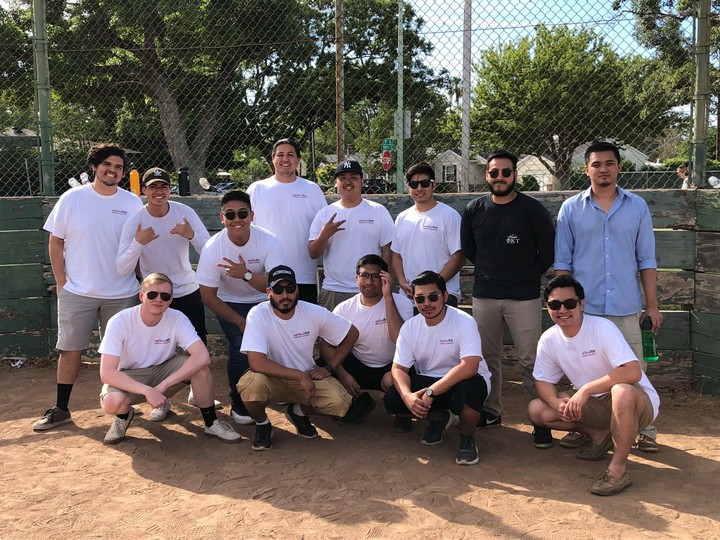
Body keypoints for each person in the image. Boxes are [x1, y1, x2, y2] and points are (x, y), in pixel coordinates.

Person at [554, 140, 662, 453]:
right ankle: (590, 427)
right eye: (596, 164)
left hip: (627, 306)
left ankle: (645, 430)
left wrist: (652, 306)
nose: (603, 169)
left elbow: (647, 260)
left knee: (634, 368)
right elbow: (562, 264)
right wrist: (565, 307)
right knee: (585, 369)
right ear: (586, 169)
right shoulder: (571, 208)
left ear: (619, 167)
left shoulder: (637, 207)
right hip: (585, 310)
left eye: (609, 163)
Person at [33, 143, 143, 432]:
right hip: (77, 291)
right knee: (70, 351)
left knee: (120, 354)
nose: (113, 170)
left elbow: (136, 247)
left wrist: (143, 282)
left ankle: (123, 405)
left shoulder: (132, 203)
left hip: (122, 293)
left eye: (118, 167)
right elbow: (56, 241)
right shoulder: (72, 198)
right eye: (107, 164)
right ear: (94, 166)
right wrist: (62, 282)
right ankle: (61, 409)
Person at [528, 275, 660, 496]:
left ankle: (618, 470)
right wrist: (554, 402)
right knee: (537, 410)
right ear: (547, 307)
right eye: (554, 304)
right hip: (596, 404)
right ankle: (599, 434)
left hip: (637, 403)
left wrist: (586, 389)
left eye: (570, 303)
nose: (563, 310)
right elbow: (542, 380)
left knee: (621, 390)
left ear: (582, 304)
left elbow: (632, 371)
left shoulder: (601, 327)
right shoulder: (549, 339)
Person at [460, 149, 555, 447]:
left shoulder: (532, 210)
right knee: (488, 360)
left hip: (523, 297)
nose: (499, 177)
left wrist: (524, 276)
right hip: (485, 295)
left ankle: (539, 419)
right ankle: (492, 410)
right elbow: (470, 251)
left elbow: (547, 254)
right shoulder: (475, 209)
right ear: (487, 175)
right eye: (494, 172)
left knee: (530, 360)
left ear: (515, 174)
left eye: (505, 172)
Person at [116, 167, 217, 419]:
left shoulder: (185, 213)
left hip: (186, 289)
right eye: (153, 187)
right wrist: (138, 243)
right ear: (145, 190)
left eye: (163, 186)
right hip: (155, 295)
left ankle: (197, 390)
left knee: (197, 344)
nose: (158, 192)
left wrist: (191, 235)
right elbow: (121, 268)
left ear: (169, 189)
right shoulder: (135, 221)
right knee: (160, 350)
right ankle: (161, 400)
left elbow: (210, 250)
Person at [238, 265, 376, 450]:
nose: (285, 295)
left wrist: (330, 368)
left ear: (297, 290)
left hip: (307, 377)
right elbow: (256, 362)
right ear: (268, 292)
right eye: (278, 289)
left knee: (340, 402)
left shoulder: (313, 312)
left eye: (290, 289)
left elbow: (351, 334)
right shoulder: (258, 314)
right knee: (250, 387)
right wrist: (299, 376)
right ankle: (262, 424)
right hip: (270, 377)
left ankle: (297, 412)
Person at [98, 273, 241, 445]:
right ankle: (123, 416)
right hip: (130, 375)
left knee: (200, 368)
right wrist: (148, 391)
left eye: (165, 296)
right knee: (112, 403)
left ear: (171, 299)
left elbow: (202, 356)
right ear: (141, 296)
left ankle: (211, 422)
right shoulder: (120, 321)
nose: (158, 300)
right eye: (152, 294)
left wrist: (162, 387)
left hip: (163, 371)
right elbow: (107, 373)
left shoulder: (177, 317)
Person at [383, 271, 492, 466]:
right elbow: (398, 368)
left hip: (463, 380)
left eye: (433, 297)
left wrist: (432, 392)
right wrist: (408, 396)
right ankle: (439, 418)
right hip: (429, 381)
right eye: (420, 299)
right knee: (393, 398)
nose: (427, 303)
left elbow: (469, 367)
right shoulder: (410, 327)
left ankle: (467, 438)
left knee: (470, 391)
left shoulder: (464, 321)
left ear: (445, 296)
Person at [196, 191, 283, 426]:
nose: (237, 219)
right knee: (240, 348)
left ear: (252, 216)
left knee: (278, 344)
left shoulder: (269, 240)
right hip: (230, 302)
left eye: (242, 213)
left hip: (265, 300)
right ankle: (239, 402)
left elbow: (277, 284)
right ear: (222, 218)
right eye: (231, 214)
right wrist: (240, 321)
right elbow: (208, 296)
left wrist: (244, 274)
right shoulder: (213, 247)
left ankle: (282, 391)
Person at [320, 254, 414, 422]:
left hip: (391, 366)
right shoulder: (343, 309)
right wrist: (342, 374)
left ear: (385, 279)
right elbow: (326, 347)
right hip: (357, 365)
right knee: (321, 368)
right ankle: (356, 403)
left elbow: (399, 339)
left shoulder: (402, 303)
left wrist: (388, 297)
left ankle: (401, 411)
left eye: (376, 276)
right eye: (364, 276)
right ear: (356, 279)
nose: (369, 282)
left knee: (397, 379)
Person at [247, 139, 327, 303]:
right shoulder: (257, 189)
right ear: (272, 159)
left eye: (290, 155)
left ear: (298, 159)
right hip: (266, 277)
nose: (285, 159)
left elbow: (323, 229)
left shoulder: (312, 189)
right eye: (280, 155)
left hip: (303, 276)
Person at [308, 160, 395, 310]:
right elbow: (313, 253)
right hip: (334, 289)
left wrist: (382, 283)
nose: (348, 182)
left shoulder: (378, 211)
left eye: (353, 177)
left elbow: (388, 251)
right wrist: (324, 236)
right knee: (330, 334)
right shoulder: (325, 214)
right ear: (336, 182)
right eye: (342, 178)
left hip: (369, 289)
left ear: (362, 181)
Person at [392, 162, 465, 306]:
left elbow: (459, 257)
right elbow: (396, 255)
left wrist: (434, 286)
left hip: (441, 296)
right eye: (414, 184)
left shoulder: (449, 216)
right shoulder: (402, 218)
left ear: (433, 185)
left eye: (424, 183)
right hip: (409, 299)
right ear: (408, 187)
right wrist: (401, 281)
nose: (419, 188)